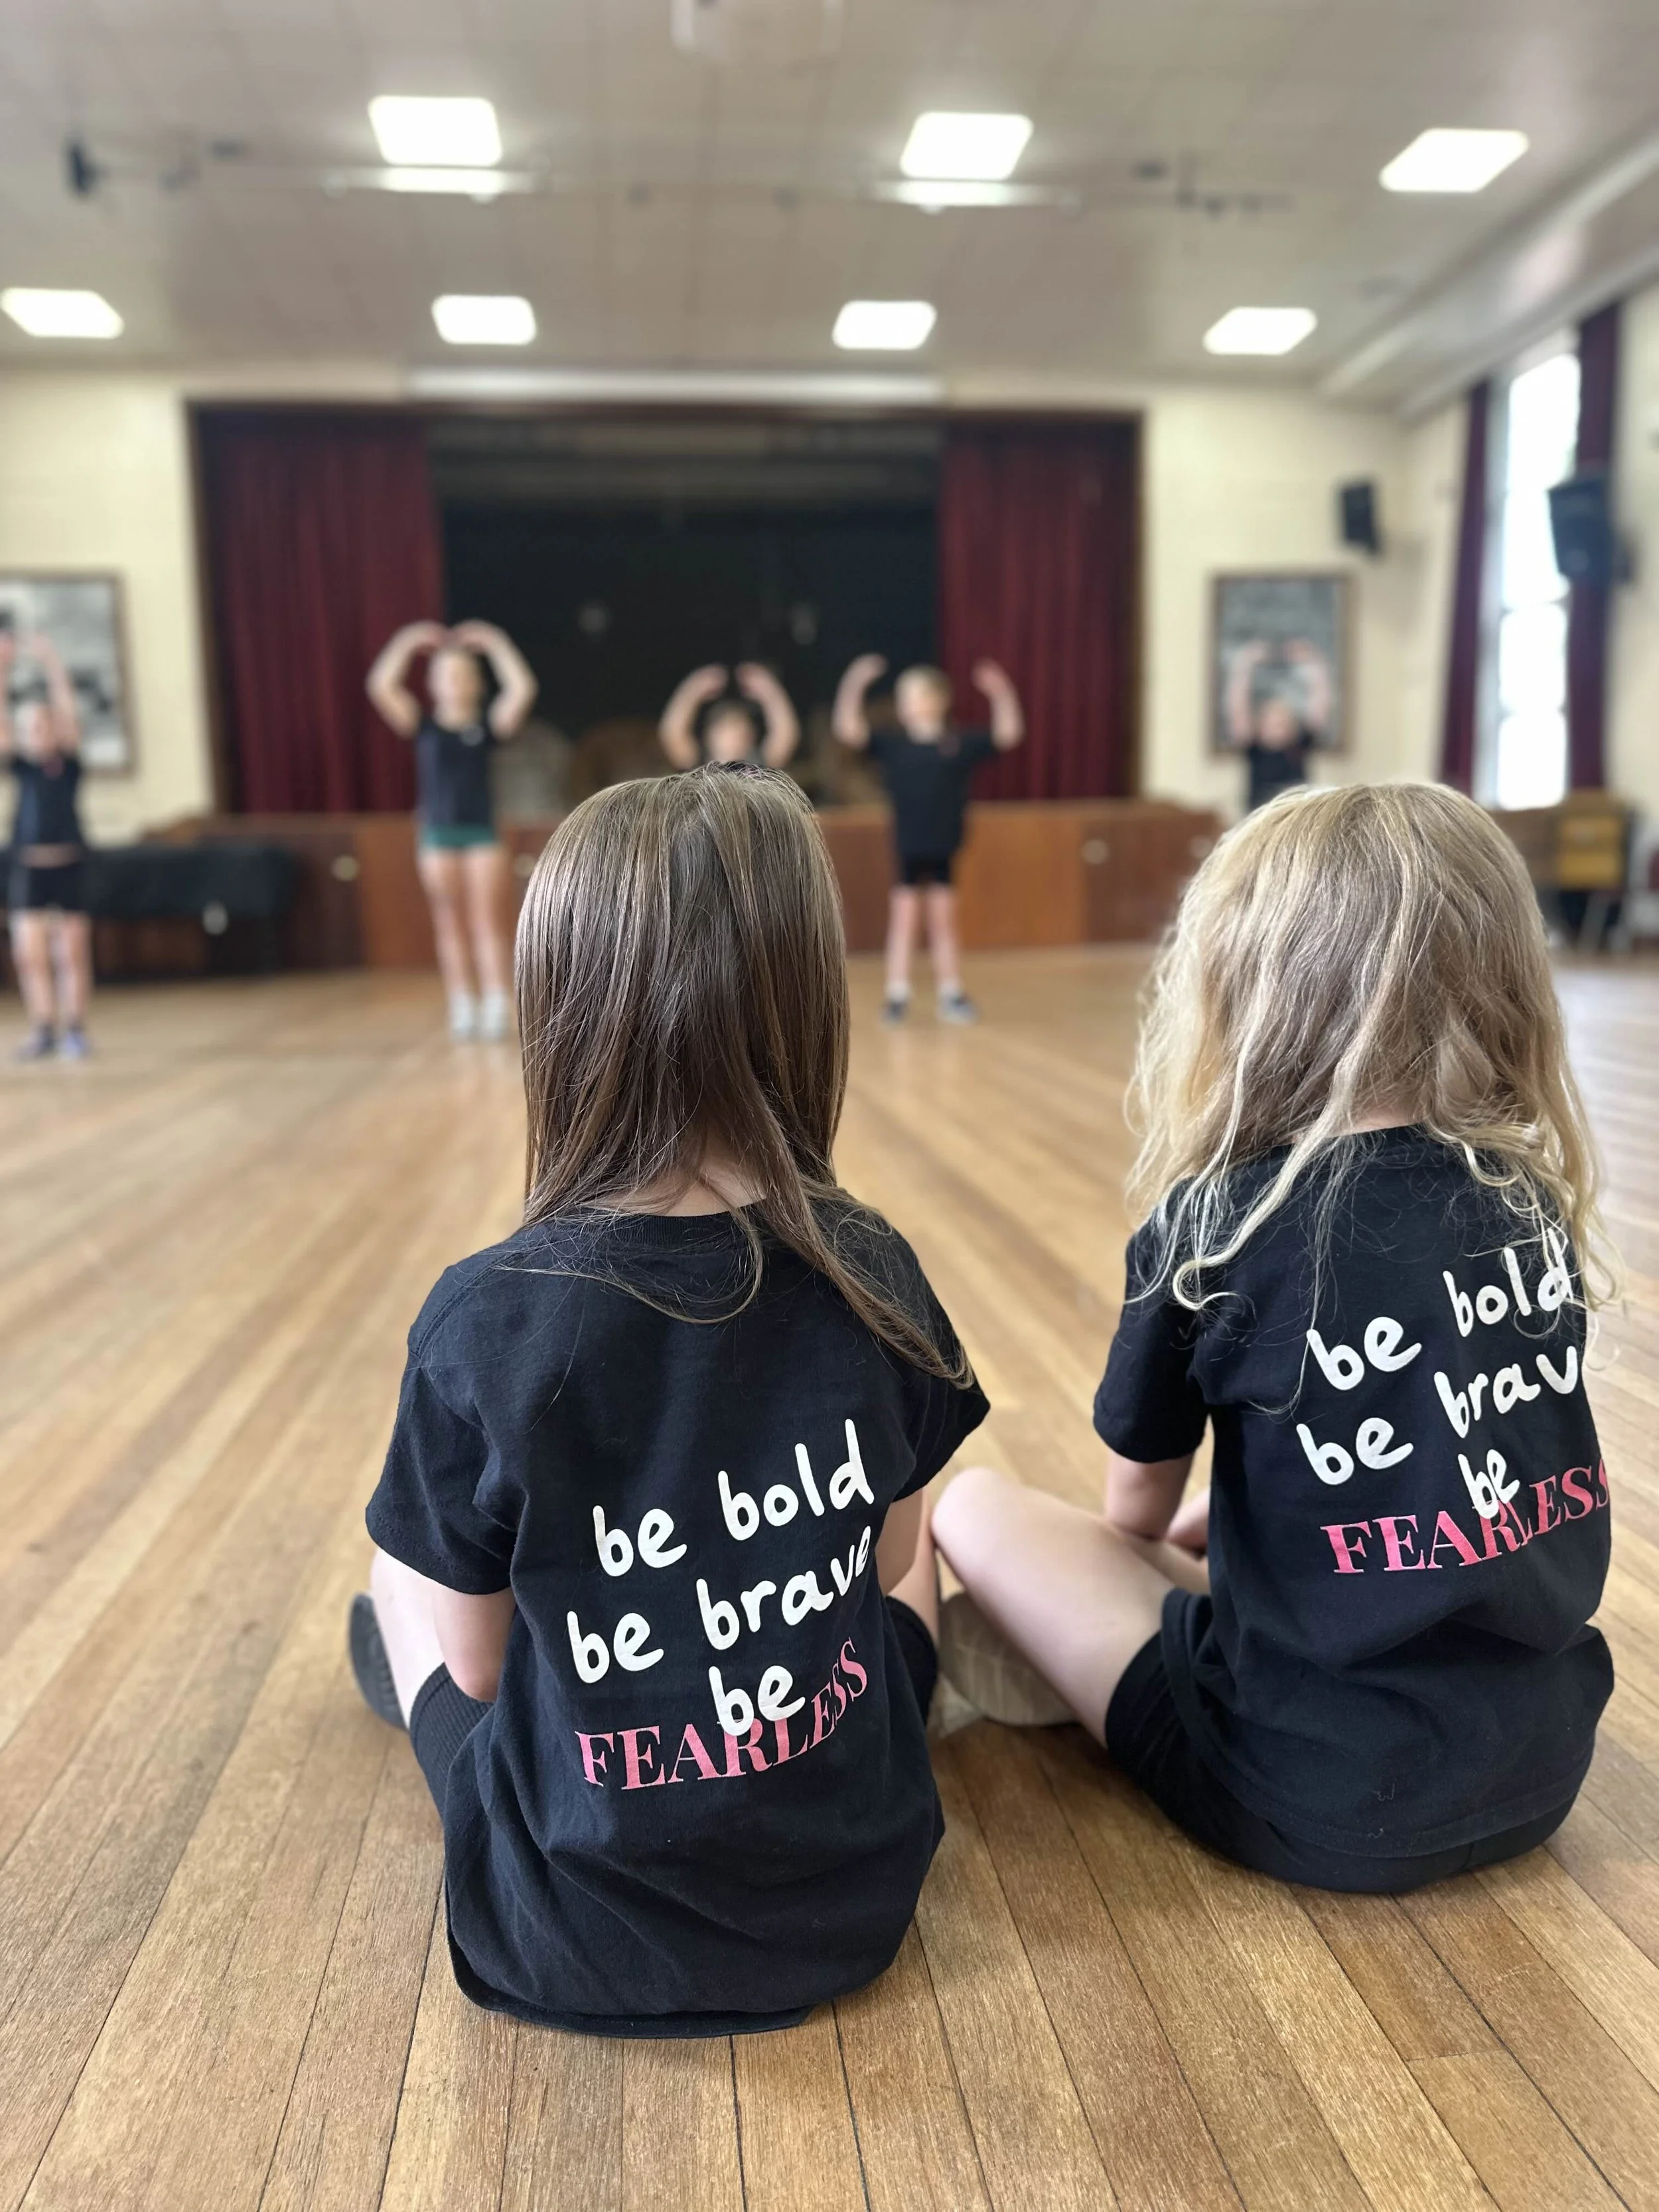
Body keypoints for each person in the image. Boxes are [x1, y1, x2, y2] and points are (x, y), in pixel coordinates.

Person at [347, 763, 987, 2035]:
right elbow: (895, 1554)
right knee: (922, 1553)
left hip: (567, 1931)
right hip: (852, 1898)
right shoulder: (878, 1274)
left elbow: (478, 1668)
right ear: (809, 1003)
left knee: (393, 1580)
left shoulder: (481, 1320)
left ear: (562, 1015)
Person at [933, 782, 1616, 1894]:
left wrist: (1223, 1521)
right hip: (1541, 1769)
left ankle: (1064, 1653)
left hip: (1304, 1792)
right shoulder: (1525, 1203)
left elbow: (1132, 1516)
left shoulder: (1216, 1225)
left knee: (971, 1506)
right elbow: (1469, 1448)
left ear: (1245, 987)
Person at [366, 619, 538, 1041]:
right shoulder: (423, 727)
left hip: (480, 833)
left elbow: (522, 690)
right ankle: (463, 1002)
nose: (456, 681)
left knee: (488, 921)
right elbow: (381, 686)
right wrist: (405, 642)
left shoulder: (487, 729)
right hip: (438, 836)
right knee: (449, 922)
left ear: (476, 683)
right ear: (433, 684)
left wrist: (498, 643)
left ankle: (497, 1000)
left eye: (463, 674)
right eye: (447, 674)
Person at [832, 655, 1023, 1025]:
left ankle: (951, 993)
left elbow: (1008, 734)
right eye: (903, 697)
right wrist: (854, 683)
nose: (906, 704)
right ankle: (897, 994)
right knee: (904, 920)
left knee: (943, 923)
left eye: (914, 695)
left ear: (938, 700)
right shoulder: (894, 745)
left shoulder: (957, 744)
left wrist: (1001, 691)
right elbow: (848, 730)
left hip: (944, 846)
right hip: (908, 846)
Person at [1, 628, 93, 1061]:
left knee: (70, 951)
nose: (39, 730)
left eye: (45, 723)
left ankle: (74, 1027)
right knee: (29, 954)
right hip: (28, 869)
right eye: (31, 726)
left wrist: (50, 661)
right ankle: (43, 1027)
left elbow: (69, 709)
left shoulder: (69, 763)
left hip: (69, 865)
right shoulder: (21, 767)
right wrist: (4, 666)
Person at [1224, 636, 1331, 812]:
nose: (1278, 726)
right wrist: (1244, 665)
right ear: (1261, 723)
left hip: (1297, 816)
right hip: (1259, 820)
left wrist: (1314, 664)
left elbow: (1321, 705)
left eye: (1283, 721)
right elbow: (1237, 708)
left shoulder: (1299, 745)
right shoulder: (1254, 747)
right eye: (1272, 721)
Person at [658, 662, 799, 771]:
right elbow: (672, 734)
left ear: (752, 737)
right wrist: (693, 688)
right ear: (710, 736)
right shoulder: (698, 765)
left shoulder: (758, 764)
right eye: (728, 728)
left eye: (742, 732)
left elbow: (786, 734)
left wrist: (769, 690)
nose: (735, 738)